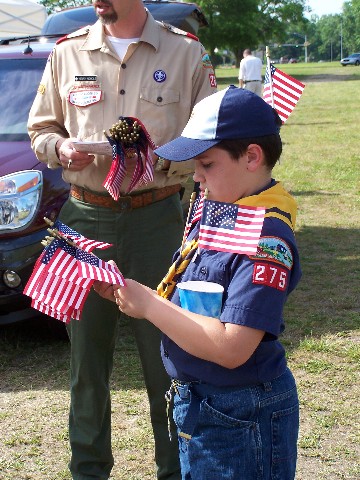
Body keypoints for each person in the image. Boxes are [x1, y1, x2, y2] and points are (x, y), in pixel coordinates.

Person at [27, 1, 217, 479]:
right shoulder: (66, 54)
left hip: (157, 223)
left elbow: (207, 141)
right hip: (86, 221)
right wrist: (59, 147)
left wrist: (158, 163)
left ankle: (177, 471)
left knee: (169, 362)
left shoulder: (184, 53)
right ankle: (88, 471)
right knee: (86, 366)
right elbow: (41, 129)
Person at [94, 86, 302, 480]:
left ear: (252, 157)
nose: (196, 175)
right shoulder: (223, 208)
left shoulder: (265, 238)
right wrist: (134, 292)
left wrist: (150, 306)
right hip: (205, 403)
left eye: (206, 163)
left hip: (241, 412)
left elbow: (232, 347)